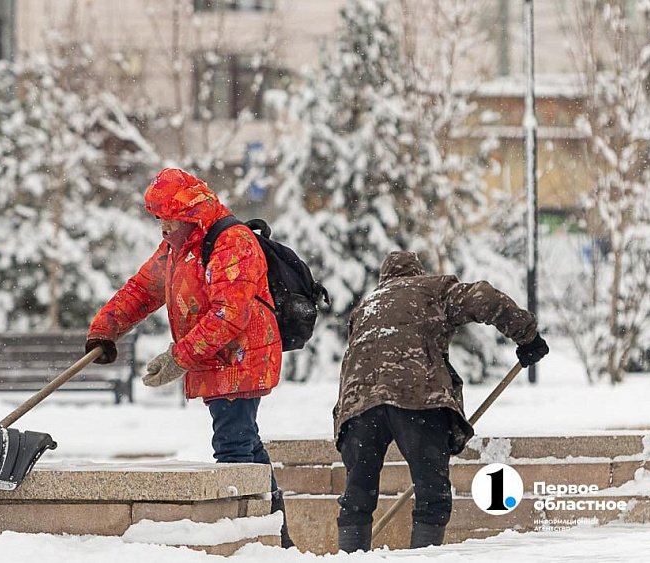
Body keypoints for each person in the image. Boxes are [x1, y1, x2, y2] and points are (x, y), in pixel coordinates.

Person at [85, 167, 293, 548]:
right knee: (246, 445)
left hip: (241, 359)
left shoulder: (233, 242)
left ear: (191, 216)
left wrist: (178, 358)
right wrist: (105, 328)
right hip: (217, 358)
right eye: (158, 219)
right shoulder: (178, 247)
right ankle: (275, 539)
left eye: (169, 219)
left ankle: (250, 541)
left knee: (233, 447)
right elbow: (143, 289)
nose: (162, 227)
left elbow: (229, 314)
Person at [333, 251, 549, 552]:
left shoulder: (366, 306)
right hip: (416, 397)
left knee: (357, 495)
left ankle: (350, 557)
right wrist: (527, 336)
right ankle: (424, 557)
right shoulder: (433, 289)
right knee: (431, 494)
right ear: (417, 273)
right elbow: (484, 298)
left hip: (358, 406)